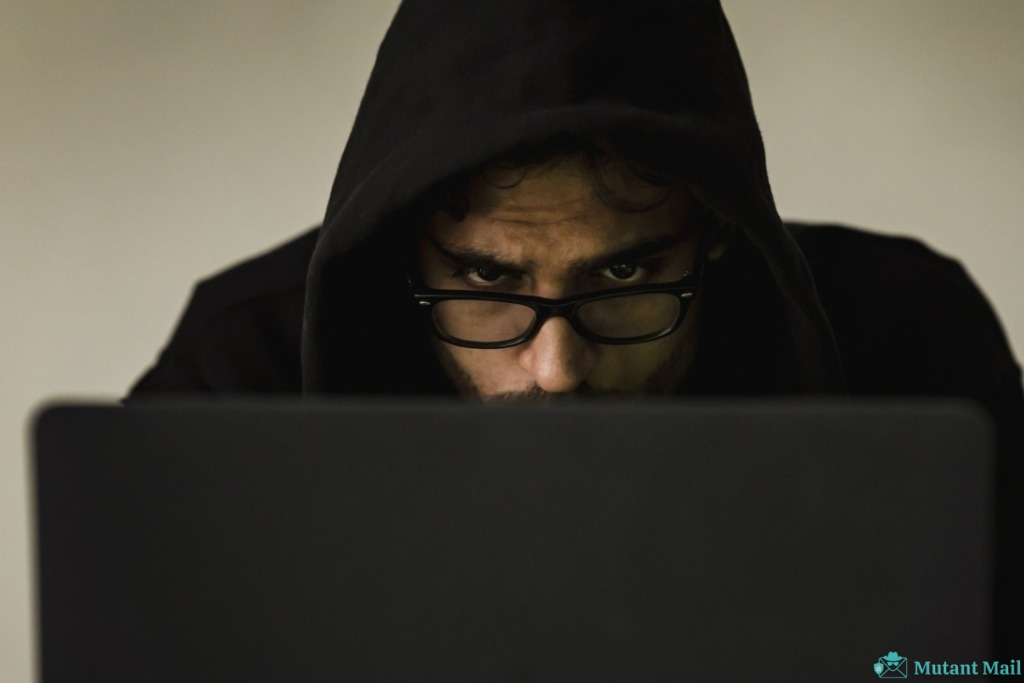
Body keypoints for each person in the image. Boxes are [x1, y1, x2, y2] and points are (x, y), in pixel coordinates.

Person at [128, 0, 1022, 649]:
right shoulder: (239, 372)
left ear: (717, 239)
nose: (556, 367)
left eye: (624, 272)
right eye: (487, 277)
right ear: (400, 252)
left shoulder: (908, 335)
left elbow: (990, 654)